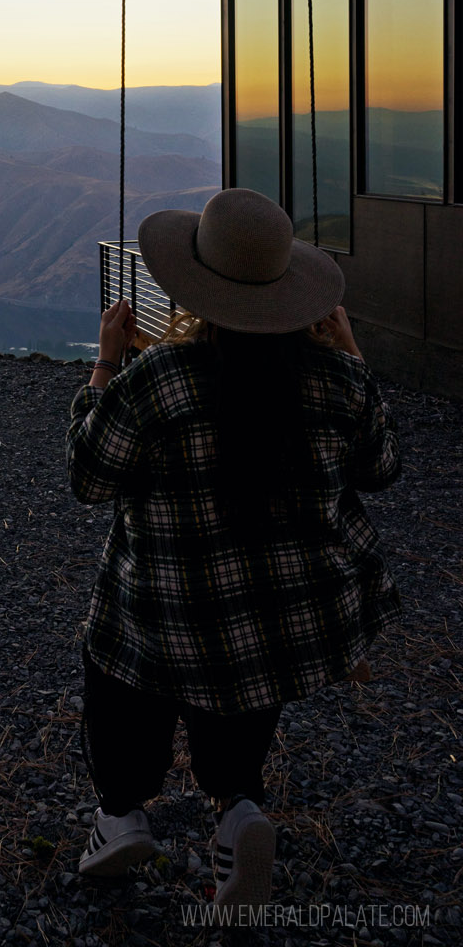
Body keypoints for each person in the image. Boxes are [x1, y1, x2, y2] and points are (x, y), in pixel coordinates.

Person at [66, 188, 401, 911]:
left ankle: (121, 814)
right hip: (277, 627)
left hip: (160, 616)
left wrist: (103, 367)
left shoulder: (158, 379)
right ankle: (238, 809)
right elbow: (380, 470)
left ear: (195, 286)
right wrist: (355, 357)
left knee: (121, 664)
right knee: (241, 682)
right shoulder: (340, 383)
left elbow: (89, 477)